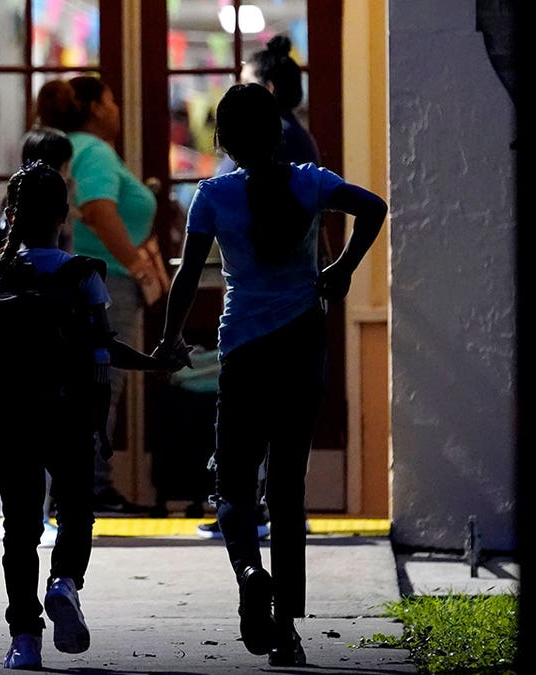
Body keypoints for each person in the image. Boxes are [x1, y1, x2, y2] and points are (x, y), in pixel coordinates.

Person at [153, 83, 388, 667]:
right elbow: (374, 209)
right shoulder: (312, 183)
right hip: (303, 344)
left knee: (233, 484)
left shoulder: (212, 196)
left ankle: (249, 571)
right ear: (278, 132)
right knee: (287, 488)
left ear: (224, 141)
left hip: (245, 351)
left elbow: (185, 280)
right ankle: (286, 629)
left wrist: (171, 338)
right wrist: (340, 270)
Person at [0, 161, 163, 670]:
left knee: (21, 531)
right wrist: (154, 362)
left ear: (11, 217)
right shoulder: (83, 276)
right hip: (70, 418)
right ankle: (65, 582)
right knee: (76, 514)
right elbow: (104, 347)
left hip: (11, 421)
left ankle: (23, 640)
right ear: (64, 216)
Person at [200, 34, 323, 542]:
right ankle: (264, 517)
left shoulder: (281, 146)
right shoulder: (298, 148)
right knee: (279, 423)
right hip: (288, 308)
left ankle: (252, 523)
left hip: (263, 311)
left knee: (252, 424)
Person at [35, 75, 166, 514]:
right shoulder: (94, 151)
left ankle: (83, 484)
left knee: (87, 384)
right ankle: (90, 487)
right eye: (110, 98)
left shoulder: (78, 149)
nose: (116, 107)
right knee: (99, 382)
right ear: (93, 108)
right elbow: (98, 209)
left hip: (90, 279)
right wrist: (135, 263)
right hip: (103, 283)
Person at [0, 126, 78, 549]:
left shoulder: (12, 219)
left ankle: (16, 517)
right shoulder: (61, 237)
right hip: (55, 379)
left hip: (8, 382)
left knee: (17, 459)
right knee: (49, 455)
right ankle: (42, 521)